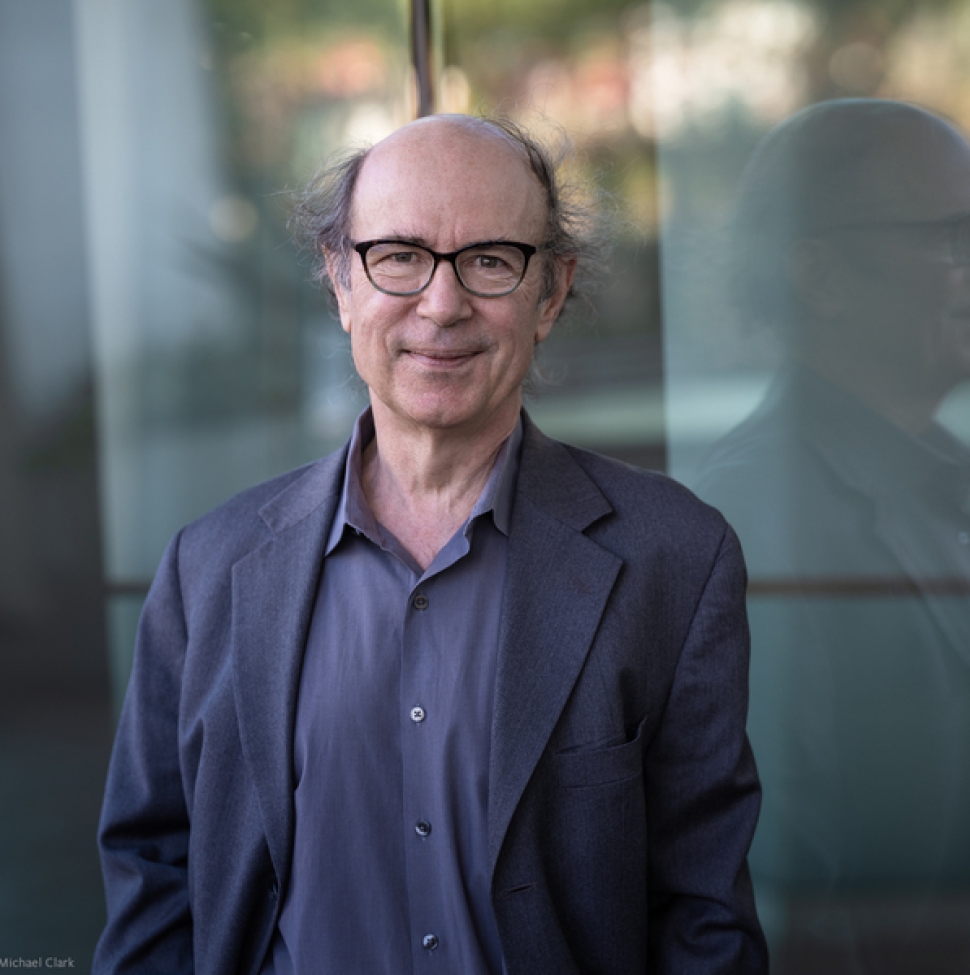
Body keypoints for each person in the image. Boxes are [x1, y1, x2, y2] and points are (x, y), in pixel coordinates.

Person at [94, 114, 766, 975]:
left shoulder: (674, 558)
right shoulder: (207, 570)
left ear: (550, 292)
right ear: (341, 281)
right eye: (400, 256)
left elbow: (704, 916)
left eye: (489, 260)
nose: (442, 305)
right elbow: (154, 876)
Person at [696, 100, 970, 974]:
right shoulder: (760, 518)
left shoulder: (918, 476)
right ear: (822, 276)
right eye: (955, 235)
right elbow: (786, 909)